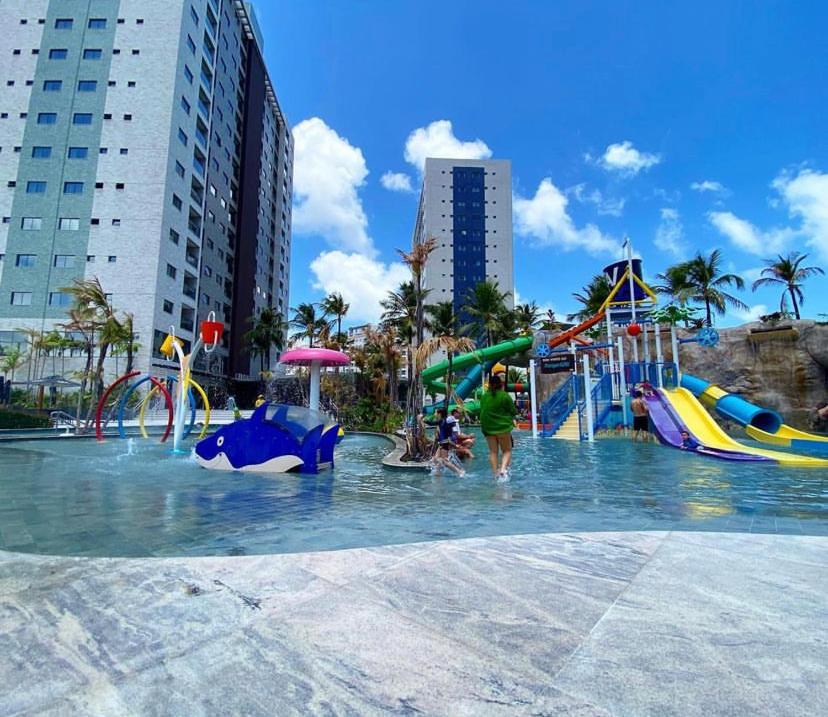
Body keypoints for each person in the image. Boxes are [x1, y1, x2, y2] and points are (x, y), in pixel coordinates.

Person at [479, 374, 517, 479]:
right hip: (502, 428)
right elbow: (513, 411)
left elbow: (482, 411)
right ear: (501, 384)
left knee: (493, 452)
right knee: (507, 450)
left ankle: (495, 473)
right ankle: (503, 470)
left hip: (488, 428)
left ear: (489, 385)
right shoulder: (504, 395)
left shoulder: (484, 396)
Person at [432, 408, 465, 476]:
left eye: (435, 412)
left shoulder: (443, 421)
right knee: (436, 459)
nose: (434, 414)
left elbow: (431, 423)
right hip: (443, 442)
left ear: (439, 414)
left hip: (445, 442)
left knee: (444, 461)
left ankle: (459, 472)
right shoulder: (442, 421)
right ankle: (438, 474)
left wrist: (422, 419)